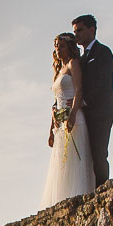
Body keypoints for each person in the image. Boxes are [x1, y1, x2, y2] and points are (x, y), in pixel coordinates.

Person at [38, 33, 95, 208]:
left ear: (69, 47)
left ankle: (77, 198)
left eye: (61, 46)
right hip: (60, 121)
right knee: (61, 162)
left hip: (74, 117)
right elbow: (56, 101)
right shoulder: (59, 70)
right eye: (56, 46)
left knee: (74, 159)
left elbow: (79, 90)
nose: (58, 49)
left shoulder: (73, 64)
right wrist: (51, 129)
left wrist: (72, 115)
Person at [71, 14, 113, 183]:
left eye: (80, 30)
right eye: (75, 32)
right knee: (86, 154)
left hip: (101, 112)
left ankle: (102, 188)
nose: (77, 35)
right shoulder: (80, 59)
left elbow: (103, 82)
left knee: (99, 153)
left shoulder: (103, 52)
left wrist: (83, 101)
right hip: (85, 115)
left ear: (92, 29)